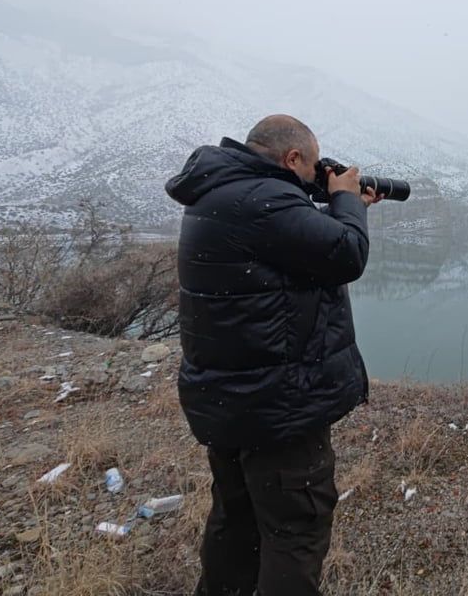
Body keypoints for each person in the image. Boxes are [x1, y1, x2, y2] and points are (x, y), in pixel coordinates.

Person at [164, 114, 382, 596]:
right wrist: (347, 200)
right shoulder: (265, 200)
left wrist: (341, 203)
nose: (314, 178)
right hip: (277, 408)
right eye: (312, 168)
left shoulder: (222, 193)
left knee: (236, 521)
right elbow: (346, 253)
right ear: (292, 158)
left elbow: (291, 249)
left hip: (231, 398)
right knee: (296, 530)